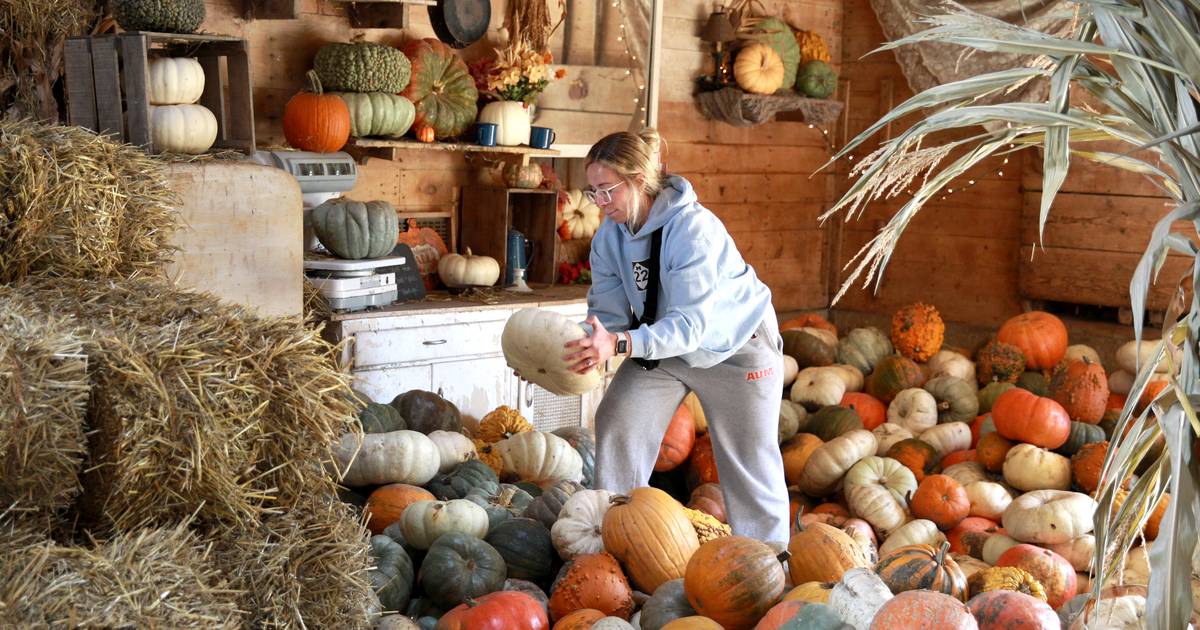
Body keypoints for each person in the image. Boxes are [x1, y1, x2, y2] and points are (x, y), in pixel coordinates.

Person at [562, 128, 789, 544]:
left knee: (748, 461)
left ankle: (768, 566)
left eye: (607, 190)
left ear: (639, 182)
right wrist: (562, 350)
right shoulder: (608, 238)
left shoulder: (693, 230)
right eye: (592, 191)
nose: (599, 202)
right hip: (665, 345)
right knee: (618, 420)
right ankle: (614, 538)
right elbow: (609, 318)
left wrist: (620, 344)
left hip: (736, 348)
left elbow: (690, 327)